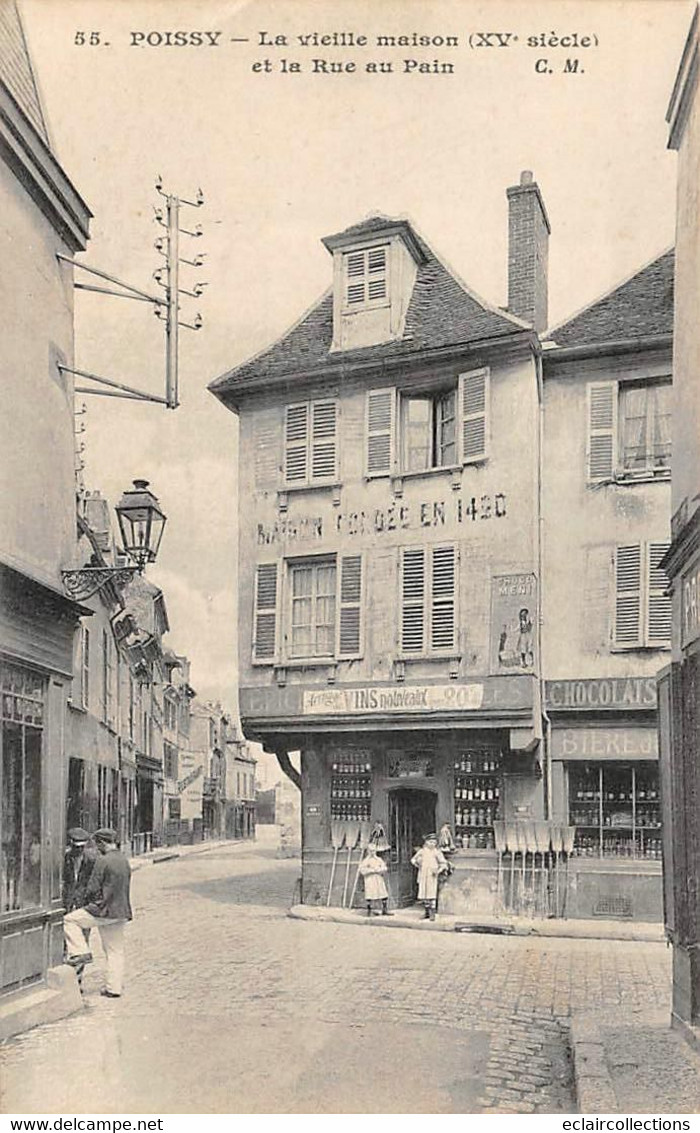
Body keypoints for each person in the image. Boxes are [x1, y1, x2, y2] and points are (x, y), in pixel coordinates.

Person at [64, 827, 132, 999]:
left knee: (70, 921)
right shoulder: (123, 860)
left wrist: (90, 900)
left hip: (102, 910)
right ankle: (114, 988)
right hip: (121, 911)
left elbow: (92, 888)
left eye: (97, 843)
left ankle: (80, 951)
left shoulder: (103, 860)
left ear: (102, 842)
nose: (96, 847)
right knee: (115, 951)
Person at [62, 828, 98, 988]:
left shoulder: (91, 860)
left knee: (82, 942)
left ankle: (78, 981)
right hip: (67, 904)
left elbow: (94, 884)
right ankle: (67, 977)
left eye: (82, 847)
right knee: (66, 943)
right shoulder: (64, 859)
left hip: (83, 906)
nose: (79, 850)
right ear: (71, 844)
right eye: (76, 847)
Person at [411, 833, 449, 920]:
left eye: (434, 842)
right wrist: (418, 863)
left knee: (431, 893)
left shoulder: (437, 852)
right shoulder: (422, 851)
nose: (432, 844)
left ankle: (432, 913)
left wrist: (438, 871)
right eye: (430, 842)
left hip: (432, 875)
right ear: (426, 842)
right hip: (423, 874)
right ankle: (426, 912)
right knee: (424, 893)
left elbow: (443, 863)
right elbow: (413, 860)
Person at [358, 846, 392, 917]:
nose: (372, 852)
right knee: (370, 894)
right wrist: (371, 870)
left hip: (378, 878)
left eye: (373, 851)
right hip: (370, 878)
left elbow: (384, 867)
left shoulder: (379, 860)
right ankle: (369, 910)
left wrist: (379, 870)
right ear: (368, 851)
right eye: (370, 851)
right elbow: (361, 870)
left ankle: (384, 909)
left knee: (382, 893)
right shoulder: (366, 861)